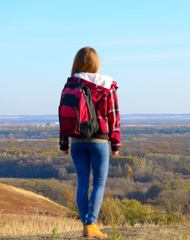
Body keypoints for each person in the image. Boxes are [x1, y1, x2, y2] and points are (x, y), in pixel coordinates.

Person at [59, 47, 121, 238]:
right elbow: (113, 116)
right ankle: (91, 224)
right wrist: (115, 143)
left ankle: (87, 225)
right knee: (100, 183)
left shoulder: (70, 85)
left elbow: (64, 114)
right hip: (99, 139)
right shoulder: (106, 85)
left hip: (77, 140)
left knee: (82, 183)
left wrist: (64, 143)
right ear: (96, 63)